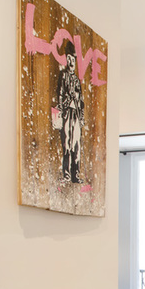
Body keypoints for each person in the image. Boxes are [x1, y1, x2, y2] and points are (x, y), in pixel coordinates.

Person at [56, 39, 84, 183]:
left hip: (76, 115)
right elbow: (60, 94)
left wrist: (81, 117)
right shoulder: (63, 76)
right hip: (67, 113)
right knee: (67, 143)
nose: (71, 61)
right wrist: (62, 109)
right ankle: (66, 174)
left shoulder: (77, 80)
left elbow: (81, 101)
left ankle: (75, 174)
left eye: (73, 59)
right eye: (69, 58)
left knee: (76, 145)